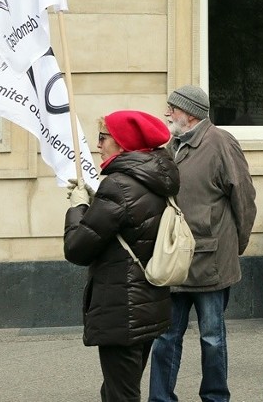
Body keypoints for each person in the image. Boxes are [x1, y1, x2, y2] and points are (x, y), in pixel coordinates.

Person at [149, 85, 257, 402]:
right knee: (166, 337)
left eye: (172, 108)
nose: (167, 113)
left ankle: (214, 397)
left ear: (191, 113)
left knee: (212, 337)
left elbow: (245, 199)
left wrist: (236, 245)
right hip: (174, 261)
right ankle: (160, 398)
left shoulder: (221, 142)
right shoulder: (170, 145)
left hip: (211, 260)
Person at [64, 110, 179, 402]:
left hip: (122, 307)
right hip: (148, 304)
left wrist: (77, 208)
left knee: (120, 395)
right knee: (119, 389)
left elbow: (77, 248)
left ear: (123, 143)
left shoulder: (118, 185)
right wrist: (95, 202)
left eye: (103, 138)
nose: (98, 145)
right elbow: (127, 222)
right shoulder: (155, 176)